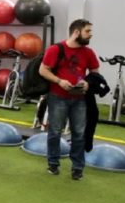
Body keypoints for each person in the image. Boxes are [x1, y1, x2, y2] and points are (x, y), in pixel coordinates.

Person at [39, 19, 99, 181]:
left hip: (80, 99)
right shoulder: (55, 49)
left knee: (79, 133)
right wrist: (59, 81)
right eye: (87, 31)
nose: (90, 34)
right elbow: (43, 70)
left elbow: (95, 73)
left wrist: (87, 83)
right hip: (57, 97)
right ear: (76, 32)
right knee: (55, 131)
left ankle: (77, 167)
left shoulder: (88, 53)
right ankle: (53, 163)